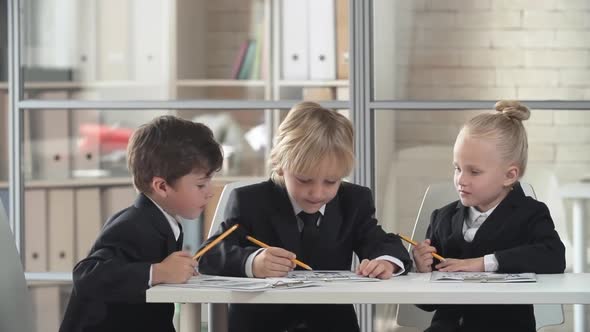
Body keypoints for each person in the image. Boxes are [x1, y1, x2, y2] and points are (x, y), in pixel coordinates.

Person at [199, 101, 412, 332]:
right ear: (280, 165)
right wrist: (252, 263)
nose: (317, 193)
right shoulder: (250, 201)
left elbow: (381, 242)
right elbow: (208, 255)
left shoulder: (354, 201)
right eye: (304, 180)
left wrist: (386, 262)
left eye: (331, 182)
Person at [412, 101, 566, 332]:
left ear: (509, 175)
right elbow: (428, 304)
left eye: (474, 171)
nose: (461, 179)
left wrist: (483, 263)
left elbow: (554, 256)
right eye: (457, 168)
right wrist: (422, 271)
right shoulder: (442, 218)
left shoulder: (530, 214)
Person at [60, 115, 223, 332]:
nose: (210, 192)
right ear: (162, 186)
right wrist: (158, 272)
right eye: (201, 185)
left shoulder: (165, 222)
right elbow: (86, 276)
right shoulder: (132, 225)